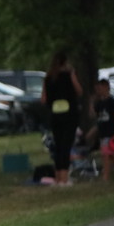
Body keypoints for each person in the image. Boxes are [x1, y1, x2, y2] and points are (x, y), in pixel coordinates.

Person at [41, 52, 83, 186]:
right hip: (69, 114)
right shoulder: (68, 75)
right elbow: (79, 91)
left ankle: (58, 177)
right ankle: (64, 179)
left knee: (58, 145)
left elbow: (43, 99)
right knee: (66, 145)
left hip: (55, 115)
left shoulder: (48, 78)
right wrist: (72, 75)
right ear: (65, 62)